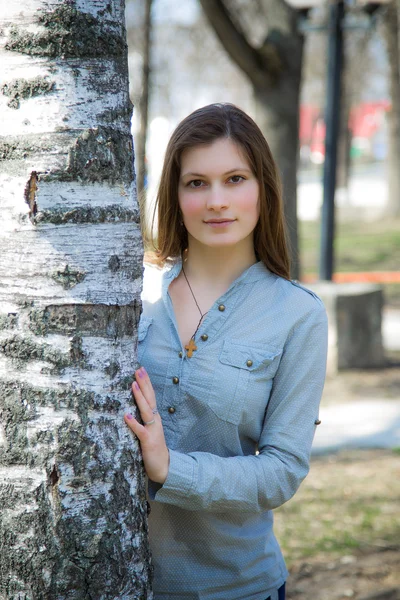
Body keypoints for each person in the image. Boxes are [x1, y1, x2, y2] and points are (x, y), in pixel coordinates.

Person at [124, 103, 328, 600]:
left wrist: (172, 469)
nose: (217, 200)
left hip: (236, 587)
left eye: (235, 178)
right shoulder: (132, 294)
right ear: (175, 194)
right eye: (196, 183)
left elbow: (282, 469)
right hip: (114, 578)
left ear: (263, 188)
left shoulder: (297, 315)